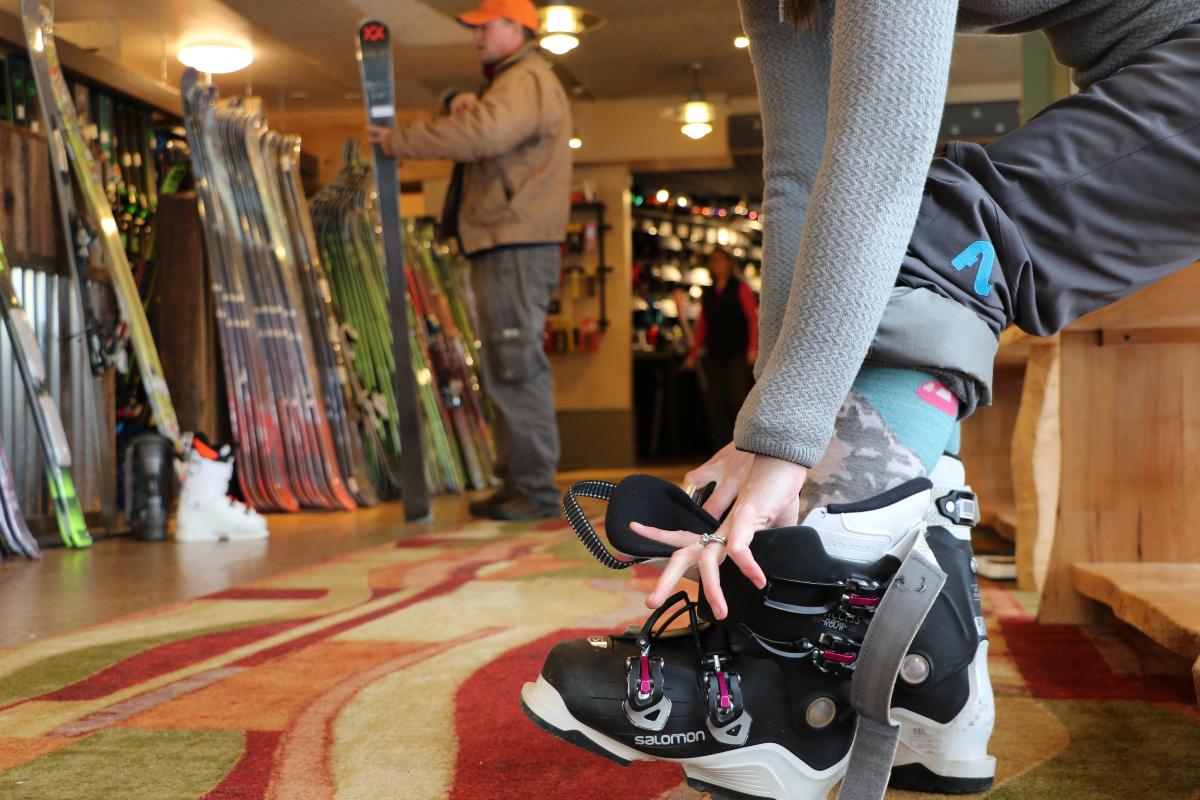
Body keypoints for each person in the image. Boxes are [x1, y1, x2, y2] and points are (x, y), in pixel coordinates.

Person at [367, 0, 572, 521]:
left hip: (514, 243)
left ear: (518, 27)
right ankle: (519, 483)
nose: (476, 37)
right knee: (506, 365)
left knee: (516, 363)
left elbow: (482, 135)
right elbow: (484, 123)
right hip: (505, 241)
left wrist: (399, 141)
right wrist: (459, 98)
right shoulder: (511, 80)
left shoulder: (526, 78)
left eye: (486, 27)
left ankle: (535, 490)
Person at [683, 247, 759, 448]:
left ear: (729, 264)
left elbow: (752, 319)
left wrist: (753, 348)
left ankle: (742, 446)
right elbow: (703, 326)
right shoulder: (708, 293)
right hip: (715, 353)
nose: (717, 265)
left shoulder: (740, 288)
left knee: (737, 399)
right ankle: (722, 447)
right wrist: (693, 354)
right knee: (715, 403)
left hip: (736, 352)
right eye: (713, 261)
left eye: (720, 260)